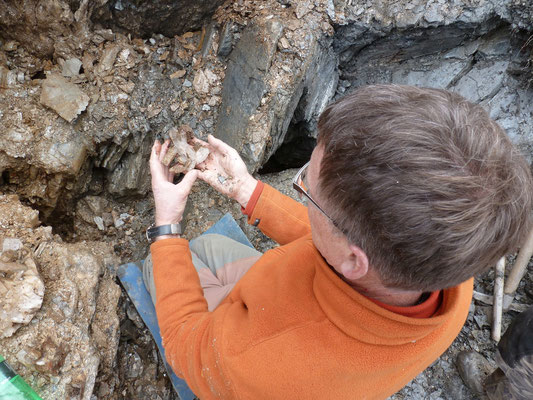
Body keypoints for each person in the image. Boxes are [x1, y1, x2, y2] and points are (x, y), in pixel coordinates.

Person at [143, 85, 533, 399]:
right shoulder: (450, 270)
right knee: (207, 250)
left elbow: (187, 349)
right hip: (277, 298)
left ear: (354, 261)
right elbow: (340, 235)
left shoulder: (263, 363)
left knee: (158, 266)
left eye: (307, 189)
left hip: (239, 352)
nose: (304, 188)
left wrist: (167, 226)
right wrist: (247, 191)